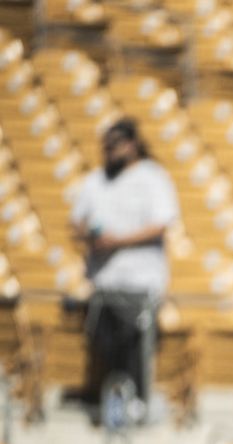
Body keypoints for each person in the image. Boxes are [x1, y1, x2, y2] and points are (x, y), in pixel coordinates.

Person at [70, 118, 179, 425]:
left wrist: (117, 240)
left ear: (132, 144)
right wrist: (92, 235)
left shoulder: (153, 177)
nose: (110, 150)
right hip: (105, 280)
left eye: (116, 144)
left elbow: (161, 223)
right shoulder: (95, 179)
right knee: (106, 348)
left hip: (139, 283)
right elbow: (76, 221)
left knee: (135, 347)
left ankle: (136, 406)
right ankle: (113, 407)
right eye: (106, 145)